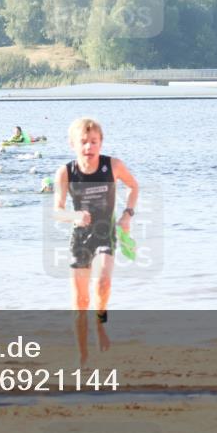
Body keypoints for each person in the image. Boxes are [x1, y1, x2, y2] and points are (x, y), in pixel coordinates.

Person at [54, 118, 139, 367]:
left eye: (94, 142)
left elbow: (133, 187)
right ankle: (82, 357)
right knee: (80, 301)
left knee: (103, 282)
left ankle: (99, 323)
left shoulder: (112, 166)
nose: (89, 147)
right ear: (73, 144)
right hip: (80, 237)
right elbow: (57, 210)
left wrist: (127, 215)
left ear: (101, 143)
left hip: (105, 233)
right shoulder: (66, 172)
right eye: (83, 142)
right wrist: (74, 215)